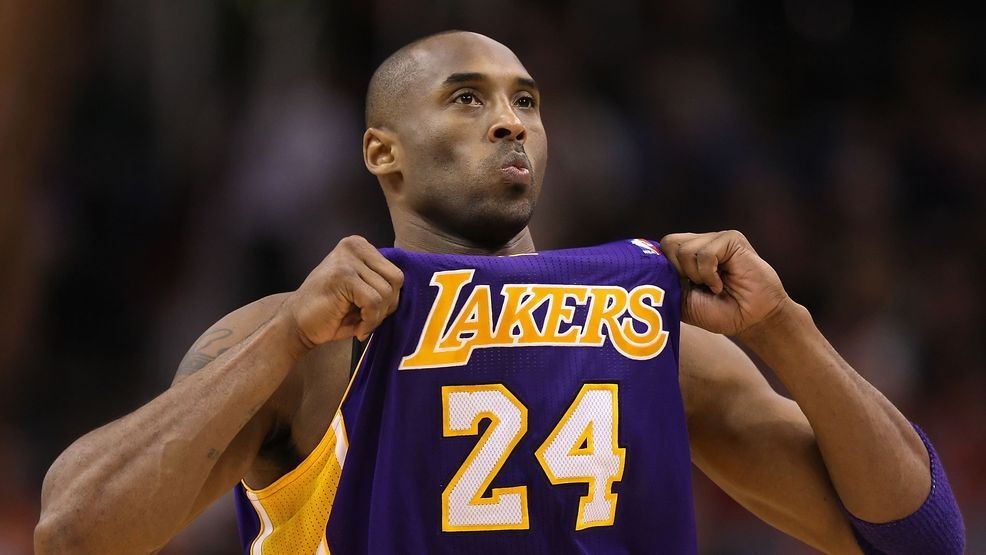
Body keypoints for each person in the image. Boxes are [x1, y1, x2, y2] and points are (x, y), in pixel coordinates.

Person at [35, 31, 963, 554]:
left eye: (527, 99)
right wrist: (280, 340)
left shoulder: (648, 337)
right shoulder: (310, 340)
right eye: (468, 99)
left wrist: (785, 329)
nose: (511, 120)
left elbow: (923, 544)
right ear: (380, 152)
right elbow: (72, 534)